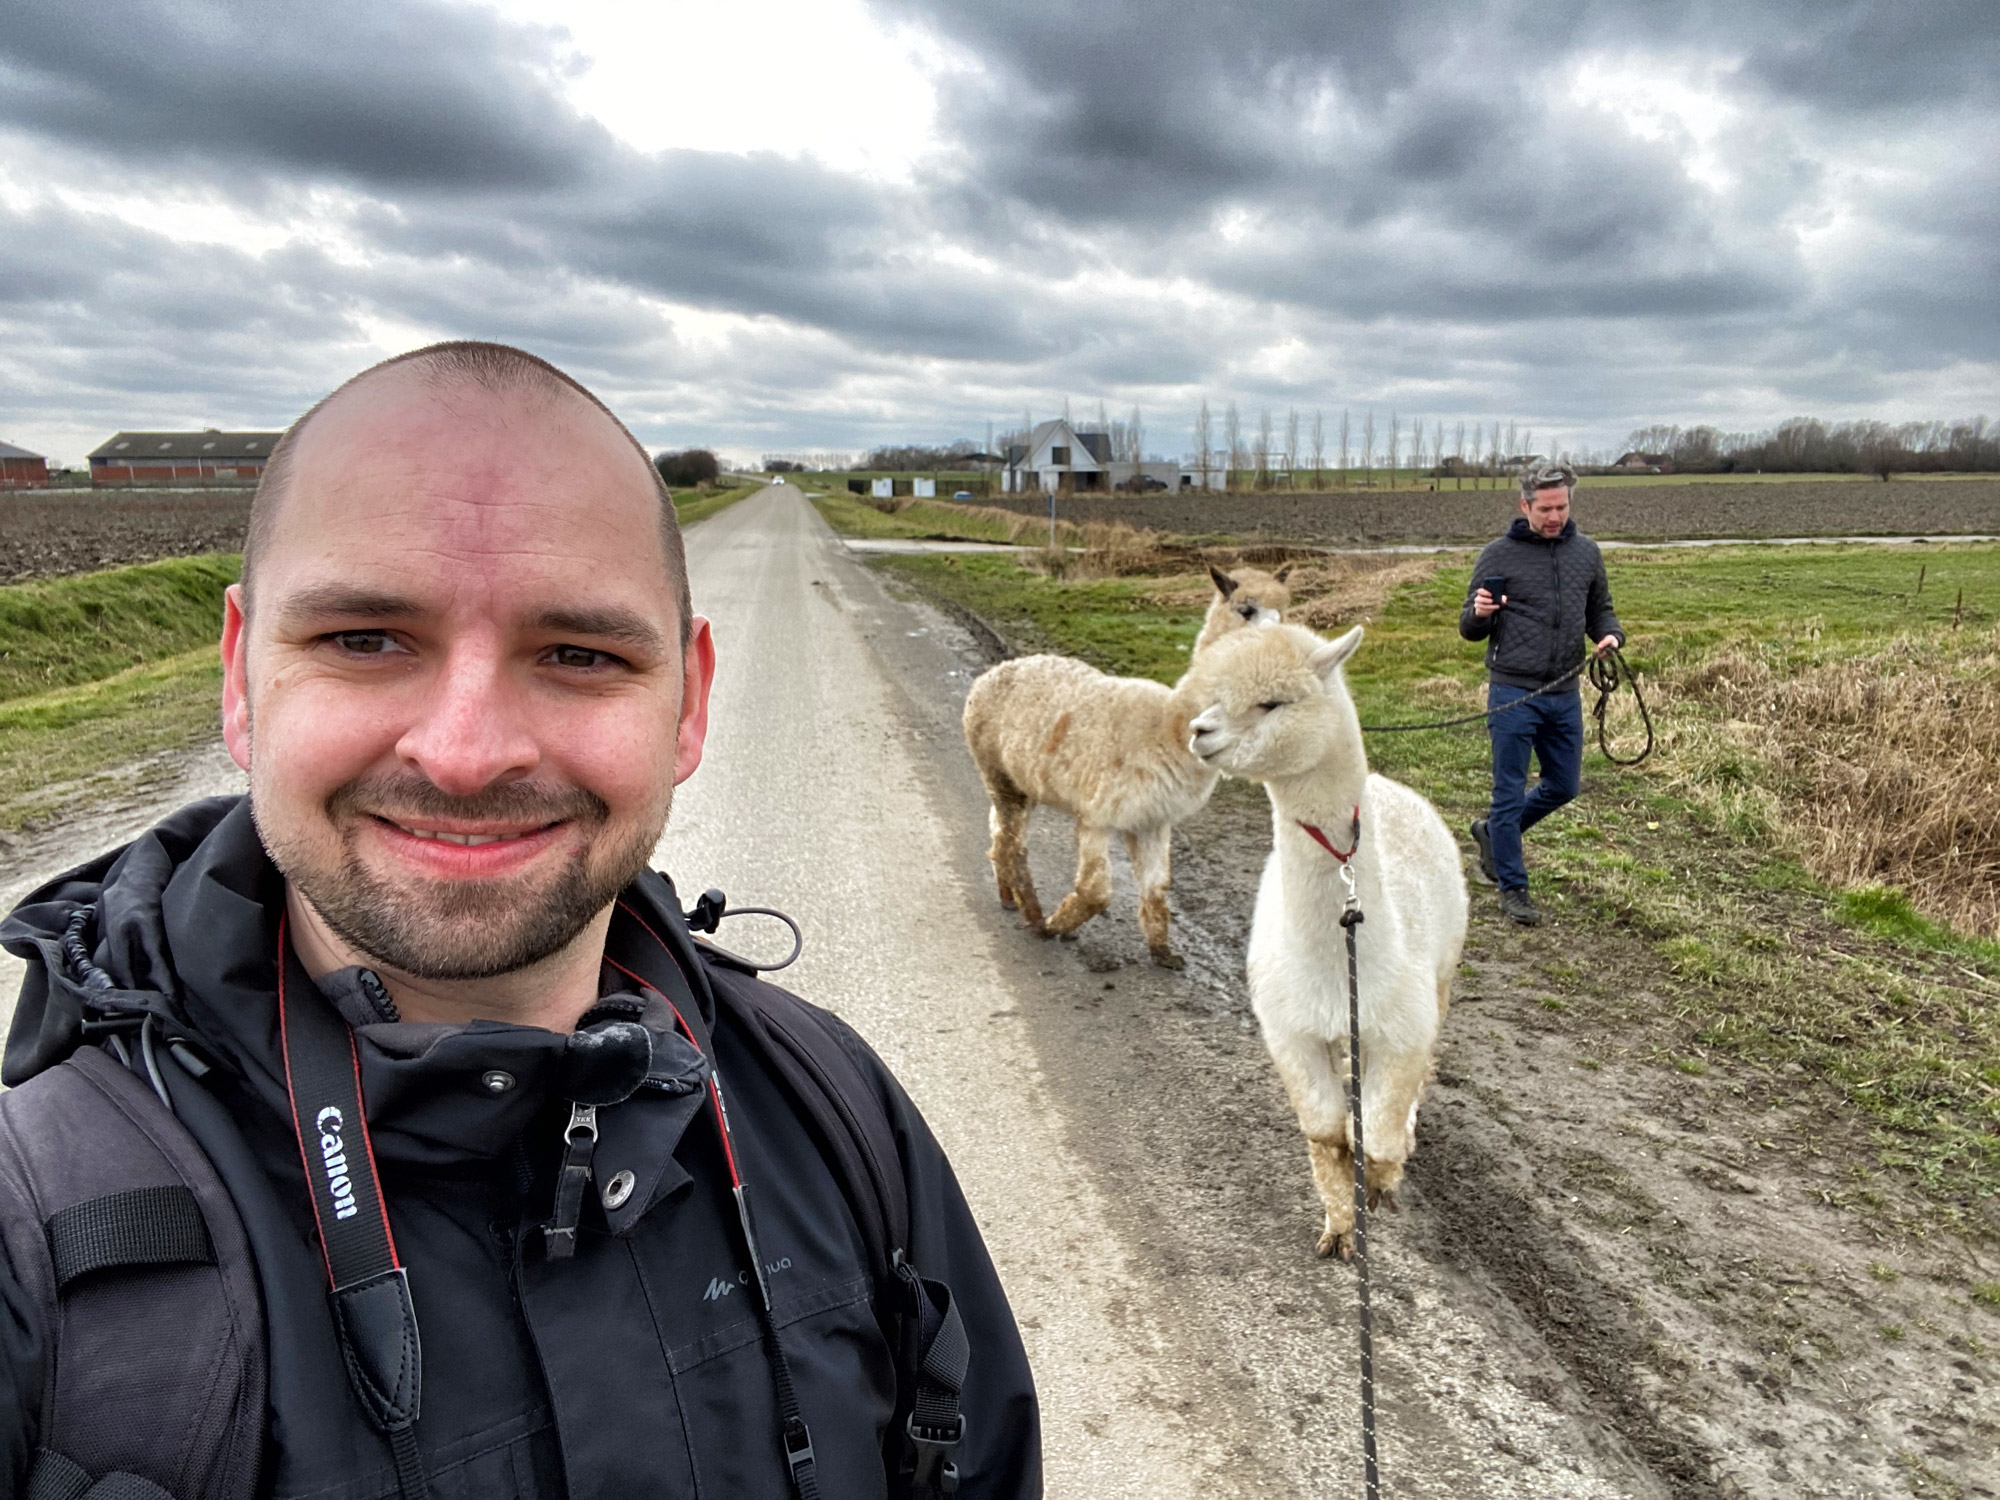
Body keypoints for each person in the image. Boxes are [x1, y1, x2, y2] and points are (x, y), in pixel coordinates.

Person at [0, 342, 1041, 1498]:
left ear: (688, 704)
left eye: (579, 654)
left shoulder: (831, 1110)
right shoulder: (32, 1244)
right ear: (242, 677)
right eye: (364, 639)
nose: (463, 753)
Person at [1459, 461, 1624, 926]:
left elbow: (1602, 612)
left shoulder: (1587, 553)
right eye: (1546, 508)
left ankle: (1494, 834)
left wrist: (1610, 637)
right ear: (1525, 505)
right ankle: (1514, 888)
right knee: (1508, 792)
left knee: (1563, 786)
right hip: (1513, 692)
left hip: (1564, 691)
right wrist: (1481, 613)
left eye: (1562, 507)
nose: (1555, 517)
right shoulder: (1497, 555)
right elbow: (1469, 628)